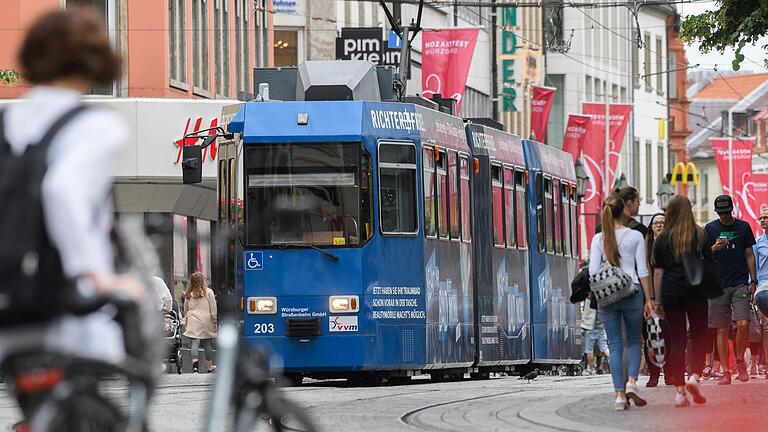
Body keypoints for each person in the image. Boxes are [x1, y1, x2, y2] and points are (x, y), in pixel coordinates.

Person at [0, 7, 141, 362]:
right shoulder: (95, 126)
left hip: (8, 303)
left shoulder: (6, 121)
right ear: (94, 60)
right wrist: (92, 277)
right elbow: (62, 190)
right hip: (67, 310)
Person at [589, 195, 654, 411]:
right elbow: (642, 270)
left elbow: (592, 272)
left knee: (615, 345)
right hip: (632, 290)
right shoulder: (635, 235)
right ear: (623, 211)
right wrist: (649, 299)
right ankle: (632, 383)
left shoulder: (599, 239)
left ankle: (619, 396)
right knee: (634, 341)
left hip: (608, 295)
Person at [652, 196, 709, 407]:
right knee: (700, 335)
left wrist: (657, 302)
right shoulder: (700, 234)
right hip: (696, 291)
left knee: (677, 341)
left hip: (671, 293)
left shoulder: (662, 239)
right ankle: (694, 375)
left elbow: (658, 273)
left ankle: (679, 392)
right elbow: (708, 263)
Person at [704, 195, 757, 384]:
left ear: (732, 210)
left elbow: (749, 254)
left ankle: (740, 360)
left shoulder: (743, 227)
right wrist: (714, 248)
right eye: (721, 213)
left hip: (740, 283)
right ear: (717, 212)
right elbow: (703, 255)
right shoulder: (710, 228)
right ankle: (726, 371)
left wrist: (754, 280)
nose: (725, 216)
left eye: (727, 213)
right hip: (718, 285)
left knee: (743, 323)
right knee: (721, 329)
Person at [643, 212, 672, 387]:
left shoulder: (671, 242)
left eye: (662, 222)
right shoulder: (646, 244)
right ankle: (653, 374)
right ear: (652, 226)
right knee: (649, 335)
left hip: (668, 294)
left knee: (668, 334)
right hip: (649, 296)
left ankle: (669, 373)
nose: (659, 225)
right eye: (656, 223)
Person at [183, 272, 217, 373]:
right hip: (206, 320)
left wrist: (186, 318)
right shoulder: (209, 292)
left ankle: (195, 367)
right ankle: (209, 367)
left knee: (195, 342)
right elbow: (213, 308)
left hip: (193, 320)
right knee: (207, 343)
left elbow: (186, 309)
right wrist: (214, 320)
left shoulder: (189, 293)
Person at [580, 293, 610, 375]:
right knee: (604, 348)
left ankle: (591, 369)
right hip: (601, 327)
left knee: (589, 349)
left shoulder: (588, 301)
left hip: (590, 328)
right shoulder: (602, 300)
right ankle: (616, 363)